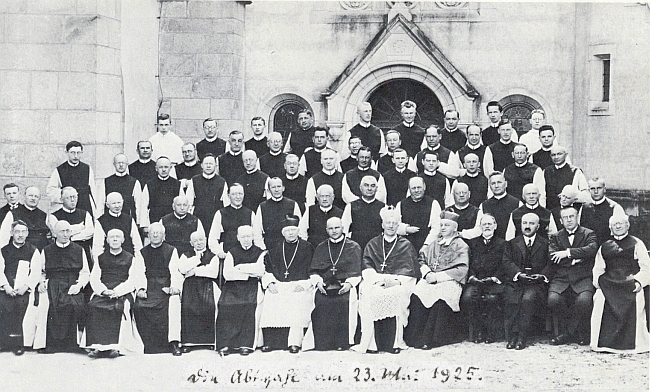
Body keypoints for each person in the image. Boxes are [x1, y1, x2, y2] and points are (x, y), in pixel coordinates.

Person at [352, 207, 419, 354]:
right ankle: (371, 344)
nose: (390, 226)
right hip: (375, 281)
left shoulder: (406, 245)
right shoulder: (373, 243)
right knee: (368, 293)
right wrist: (378, 280)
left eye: (394, 223)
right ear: (382, 224)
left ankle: (394, 343)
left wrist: (395, 281)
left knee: (399, 294)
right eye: (387, 223)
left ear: (398, 225)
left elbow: (410, 271)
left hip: (397, 282)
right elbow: (367, 265)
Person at [404, 211, 469, 349]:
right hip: (430, 277)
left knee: (440, 298)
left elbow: (462, 269)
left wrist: (438, 278)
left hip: (449, 280)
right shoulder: (434, 244)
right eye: (441, 225)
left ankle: (432, 339)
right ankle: (414, 337)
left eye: (447, 225)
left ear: (455, 228)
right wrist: (427, 274)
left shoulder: (461, 245)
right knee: (417, 294)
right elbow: (421, 260)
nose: (443, 228)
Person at [591, 214, 649, 354]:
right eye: (614, 224)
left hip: (630, 282)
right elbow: (598, 269)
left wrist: (639, 282)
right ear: (610, 228)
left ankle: (635, 344)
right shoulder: (605, 246)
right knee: (600, 297)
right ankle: (601, 343)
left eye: (621, 223)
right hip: (609, 283)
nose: (618, 226)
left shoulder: (637, 243)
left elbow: (646, 267)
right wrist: (600, 283)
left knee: (638, 297)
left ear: (627, 225)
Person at [83, 229, 145, 358]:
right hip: (104, 291)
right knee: (94, 306)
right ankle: (98, 346)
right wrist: (103, 290)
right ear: (107, 240)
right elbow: (94, 278)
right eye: (112, 237)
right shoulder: (100, 258)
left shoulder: (130, 258)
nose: (115, 239)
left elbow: (133, 279)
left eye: (118, 237)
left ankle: (116, 347)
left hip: (123, 291)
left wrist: (117, 291)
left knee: (119, 307)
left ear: (123, 240)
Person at [259, 216, 315, 353]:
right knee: (271, 298)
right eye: (287, 230)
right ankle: (271, 342)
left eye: (293, 230)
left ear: (298, 231)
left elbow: (313, 269)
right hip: (279, 283)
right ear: (283, 232)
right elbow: (267, 268)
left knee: (298, 300)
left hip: (300, 284)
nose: (290, 233)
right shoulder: (276, 248)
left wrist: (305, 284)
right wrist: (270, 282)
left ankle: (294, 342)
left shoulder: (307, 247)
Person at [305, 217, 362, 351]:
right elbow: (313, 270)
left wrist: (349, 284)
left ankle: (342, 343)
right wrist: (318, 283)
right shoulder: (321, 247)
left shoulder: (353, 246)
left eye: (337, 228)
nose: (334, 231)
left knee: (343, 302)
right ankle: (323, 343)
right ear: (326, 230)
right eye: (330, 228)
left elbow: (357, 271)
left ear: (343, 228)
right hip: (325, 286)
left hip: (345, 286)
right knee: (321, 301)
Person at [36, 221, 90, 353]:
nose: (65, 234)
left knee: (74, 304)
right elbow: (40, 271)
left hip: (72, 282)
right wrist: (41, 282)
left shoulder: (79, 250)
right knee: (49, 305)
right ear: (55, 233)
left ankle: (73, 344)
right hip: (53, 282)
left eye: (68, 231)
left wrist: (79, 285)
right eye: (62, 231)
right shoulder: (47, 250)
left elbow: (85, 272)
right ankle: (50, 344)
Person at [547, 206, 598, 346]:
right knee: (553, 300)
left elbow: (592, 249)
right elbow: (552, 256)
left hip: (583, 277)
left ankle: (566, 334)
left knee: (584, 301)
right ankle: (575, 332)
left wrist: (567, 253)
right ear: (561, 221)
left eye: (571, 216)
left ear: (577, 218)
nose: (569, 220)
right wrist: (580, 257)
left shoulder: (589, 233)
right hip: (561, 278)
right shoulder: (555, 236)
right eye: (565, 217)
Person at [501, 213, 551, 350]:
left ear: (538, 226)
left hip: (536, 284)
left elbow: (550, 264)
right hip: (516, 282)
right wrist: (518, 274)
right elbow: (507, 262)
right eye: (524, 223)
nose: (527, 226)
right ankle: (512, 336)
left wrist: (541, 276)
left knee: (528, 299)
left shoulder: (546, 243)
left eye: (531, 223)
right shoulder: (511, 243)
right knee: (512, 298)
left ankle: (522, 336)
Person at [133, 222, 182, 355]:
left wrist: (174, 288)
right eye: (152, 233)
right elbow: (139, 272)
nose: (155, 235)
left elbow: (175, 271)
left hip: (165, 285)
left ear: (164, 236)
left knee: (173, 303)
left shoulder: (171, 250)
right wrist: (141, 289)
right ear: (148, 235)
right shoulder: (142, 252)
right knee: (139, 306)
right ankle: (146, 345)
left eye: (158, 233)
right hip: (149, 286)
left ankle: (174, 342)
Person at [216, 225, 265, 356]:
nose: (246, 239)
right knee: (225, 305)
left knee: (249, 305)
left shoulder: (260, 252)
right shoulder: (232, 252)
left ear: (253, 237)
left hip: (252, 286)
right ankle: (227, 344)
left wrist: (240, 268)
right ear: (238, 238)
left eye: (249, 236)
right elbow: (227, 274)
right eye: (243, 237)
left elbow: (260, 271)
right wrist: (248, 273)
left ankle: (246, 345)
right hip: (233, 286)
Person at [0, 221, 43, 355]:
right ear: (12, 233)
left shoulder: (33, 250)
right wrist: (6, 286)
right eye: (17, 232)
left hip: (24, 289)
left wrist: (26, 286)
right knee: (3, 304)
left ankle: (18, 344)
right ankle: (3, 342)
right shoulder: (4, 250)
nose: (20, 235)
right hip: (6, 288)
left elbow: (36, 272)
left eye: (23, 232)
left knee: (21, 305)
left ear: (27, 234)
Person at [461, 214, 506, 343]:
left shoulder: (503, 244)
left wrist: (494, 278)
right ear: (480, 227)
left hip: (494, 282)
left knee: (492, 299)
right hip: (476, 281)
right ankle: (478, 331)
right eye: (484, 224)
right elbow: (469, 263)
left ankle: (491, 332)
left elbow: (504, 264)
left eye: (489, 224)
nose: (487, 226)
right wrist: (472, 276)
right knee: (468, 298)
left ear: (495, 226)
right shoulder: (473, 243)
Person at [177, 231, 220, 352]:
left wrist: (195, 271)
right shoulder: (186, 255)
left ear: (206, 240)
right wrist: (197, 260)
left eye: (201, 240)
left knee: (209, 306)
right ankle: (189, 343)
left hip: (207, 285)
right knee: (188, 307)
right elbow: (182, 268)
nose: (199, 243)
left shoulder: (213, 256)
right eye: (195, 241)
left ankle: (209, 341)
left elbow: (213, 272)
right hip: (190, 286)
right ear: (191, 243)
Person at [461, 172, 522, 240]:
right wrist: (462, 234)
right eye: (493, 183)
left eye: (499, 182)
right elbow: (479, 229)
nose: (496, 186)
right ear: (490, 186)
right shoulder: (484, 205)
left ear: (506, 184)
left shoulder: (517, 203)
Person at [47, 140, 98, 218]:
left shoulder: (87, 168)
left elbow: (93, 191)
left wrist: (95, 210)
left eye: (78, 153)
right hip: (67, 208)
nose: (76, 156)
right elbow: (50, 190)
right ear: (67, 152)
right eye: (72, 152)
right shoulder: (59, 170)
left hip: (85, 206)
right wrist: (64, 195)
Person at [48, 187, 94, 268]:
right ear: (62, 199)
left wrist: (71, 237)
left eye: (75, 197)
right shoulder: (54, 216)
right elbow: (57, 234)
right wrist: (79, 228)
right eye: (69, 197)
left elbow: (90, 232)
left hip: (83, 250)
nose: (73, 200)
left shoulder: (85, 214)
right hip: (62, 253)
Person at [185, 154, 229, 237]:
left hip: (215, 218)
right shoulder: (194, 180)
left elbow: (226, 204)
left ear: (215, 166)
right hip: (199, 217)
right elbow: (188, 202)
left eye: (211, 164)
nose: (208, 166)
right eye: (206, 163)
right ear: (201, 165)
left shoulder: (222, 181)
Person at [208, 184, 255, 259]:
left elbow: (256, 237)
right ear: (228, 195)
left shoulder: (250, 213)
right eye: (234, 194)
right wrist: (219, 252)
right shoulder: (221, 213)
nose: (238, 197)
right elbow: (213, 238)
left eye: (240, 194)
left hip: (248, 256)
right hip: (227, 255)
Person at [395, 176, 441, 252]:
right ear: (409, 189)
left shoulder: (433, 203)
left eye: (419, 187)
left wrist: (426, 245)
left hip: (427, 246)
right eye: (413, 188)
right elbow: (395, 225)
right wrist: (405, 229)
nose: (417, 190)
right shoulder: (401, 204)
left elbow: (436, 228)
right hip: (405, 247)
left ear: (424, 187)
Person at [253, 178, 301, 250]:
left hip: (289, 247)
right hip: (270, 247)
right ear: (269, 190)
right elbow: (257, 231)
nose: (276, 190)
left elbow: (300, 228)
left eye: (279, 186)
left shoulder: (292, 204)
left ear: (283, 188)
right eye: (273, 187)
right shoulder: (262, 206)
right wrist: (263, 249)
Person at [92, 192, 143, 260]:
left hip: (127, 260)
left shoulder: (129, 219)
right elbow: (97, 247)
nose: (117, 206)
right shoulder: (101, 221)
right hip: (109, 261)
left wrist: (138, 262)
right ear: (107, 205)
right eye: (114, 203)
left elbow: (137, 244)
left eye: (119, 202)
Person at [138, 157, 182, 234]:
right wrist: (145, 225)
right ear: (156, 168)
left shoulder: (177, 184)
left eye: (166, 167)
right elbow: (144, 206)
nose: (164, 170)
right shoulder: (149, 185)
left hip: (173, 222)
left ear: (170, 168)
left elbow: (182, 203)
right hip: (155, 220)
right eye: (161, 167)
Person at [342, 176, 386, 252]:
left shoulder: (383, 207)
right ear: (360, 187)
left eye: (372, 186)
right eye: (366, 185)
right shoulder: (351, 206)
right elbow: (344, 229)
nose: (369, 188)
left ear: (376, 189)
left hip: (376, 249)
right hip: (356, 249)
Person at [0, 186, 50, 250]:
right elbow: (4, 238)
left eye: (36, 196)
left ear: (39, 198)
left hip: (39, 254)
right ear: (24, 196)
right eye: (30, 195)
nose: (33, 198)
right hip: (19, 253)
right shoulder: (12, 213)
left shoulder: (44, 215)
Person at [579, 177, 624, 246]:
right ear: (589, 190)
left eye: (599, 188)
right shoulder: (584, 207)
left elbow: (620, 233)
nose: (596, 192)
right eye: (593, 189)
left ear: (604, 189)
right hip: (588, 249)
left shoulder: (615, 207)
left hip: (608, 250)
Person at [544, 145, 589, 211]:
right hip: (551, 209)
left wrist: (569, 196)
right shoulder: (546, 171)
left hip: (570, 210)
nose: (556, 157)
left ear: (566, 155)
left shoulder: (575, 171)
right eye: (553, 155)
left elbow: (585, 193)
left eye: (559, 154)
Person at [96, 154, 141, 219]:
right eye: (118, 163)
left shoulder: (134, 182)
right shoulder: (106, 181)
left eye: (123, 163)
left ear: (127, 164)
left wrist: (138, 223)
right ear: (114, 164)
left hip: (127, 220)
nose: (121, 165)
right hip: (109, 220)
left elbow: (138, 205)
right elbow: (100, 203)